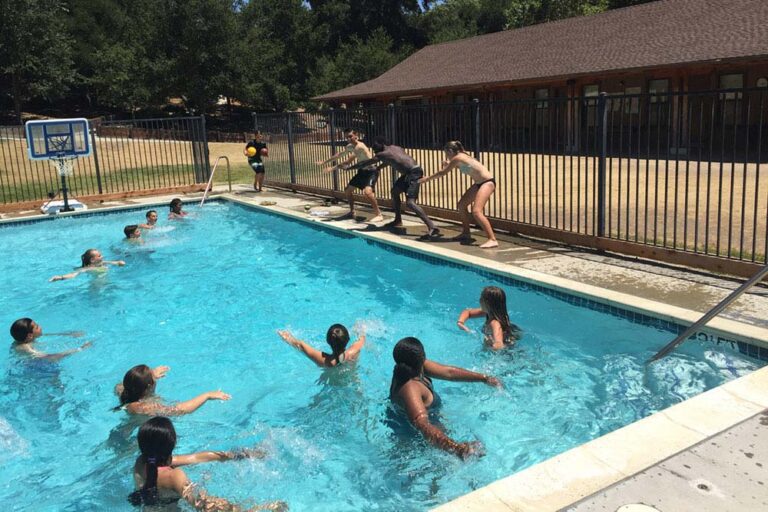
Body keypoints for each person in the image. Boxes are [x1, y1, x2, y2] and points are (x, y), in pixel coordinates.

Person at [130, 416, 285, 510]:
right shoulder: (174, 477)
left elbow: (196, 458)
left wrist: (239, 455)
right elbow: (206, 507)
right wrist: (257, 509)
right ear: (173, 444)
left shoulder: (142, 462)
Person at [389, 337, 501, 458]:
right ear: (422, 358)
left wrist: (484, 378)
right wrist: (457, 449)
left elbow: (449, 372)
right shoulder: (410, 388)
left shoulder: (413, 368)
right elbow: (422, 424)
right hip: (418, 444)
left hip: (434, 433)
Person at [346, 137, 439, 240]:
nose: (376, 153)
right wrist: (379, 167)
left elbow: (364, 163)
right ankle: (398, 220)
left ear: (378, 150)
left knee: (410, 203)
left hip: (413, 174)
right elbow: (391, 160)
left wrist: (349, 168)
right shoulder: (395, 148)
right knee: (395, 192)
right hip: (410, 173)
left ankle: (432, 227)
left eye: (375, 152)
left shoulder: (381, 154)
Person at [419, 141, 499, 248]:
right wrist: (451, 165)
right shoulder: (462, 157)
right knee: (461, 205)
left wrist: (426, 179)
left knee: (476, 211)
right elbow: (468, 169)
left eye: (447, 154)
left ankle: (492, 239)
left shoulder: (458, 158)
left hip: (487, 183)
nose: (446, 156)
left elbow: (442, 173)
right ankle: (466, 233)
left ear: (451, 151)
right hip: (479, 183)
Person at [316, 128, 384, 222]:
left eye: (350, 136)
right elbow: (339, 155)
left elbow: (361, 162)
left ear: (356, 136)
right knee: (348, 190)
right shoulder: (350, 147)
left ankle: (379, 214)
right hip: (362, 172)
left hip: (371, 171)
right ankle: (352, 212)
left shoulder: (360, 147)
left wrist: (335, 168)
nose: (348, 138)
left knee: (368, 193)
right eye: (347, 137)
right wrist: (324, 162)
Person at [115, 364, 231, 416]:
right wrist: (207, 395)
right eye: (153, 377)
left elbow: (123, 384)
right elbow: (179, 410)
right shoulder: (144, 407)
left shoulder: (124, 390)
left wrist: (150, 376)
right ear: (149, 387)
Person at [277, 323, 365, 368]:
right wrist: (359, 328)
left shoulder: (324, 361)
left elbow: (301, 345)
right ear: (348, 339)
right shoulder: (354, 351)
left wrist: (285, 335)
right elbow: (362, 338)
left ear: (327, 341)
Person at [9, 318, 90, 360]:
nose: (40, 327)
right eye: (37, 327)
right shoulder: (25, 348)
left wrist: (69, 334)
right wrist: (80, 349)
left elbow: (44, 335)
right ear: (30, 335)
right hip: (34, 367)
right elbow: (50, 357)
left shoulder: (24, 338)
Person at [49, 249, 125, 281]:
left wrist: (119, 263)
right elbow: (74, 274)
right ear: (92, 260)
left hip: (107, 282)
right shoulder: (88, 268)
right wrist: (61, 277)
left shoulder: (102, 263)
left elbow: (115, 263)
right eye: (99, 256)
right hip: (96, 285)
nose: (102, 256)